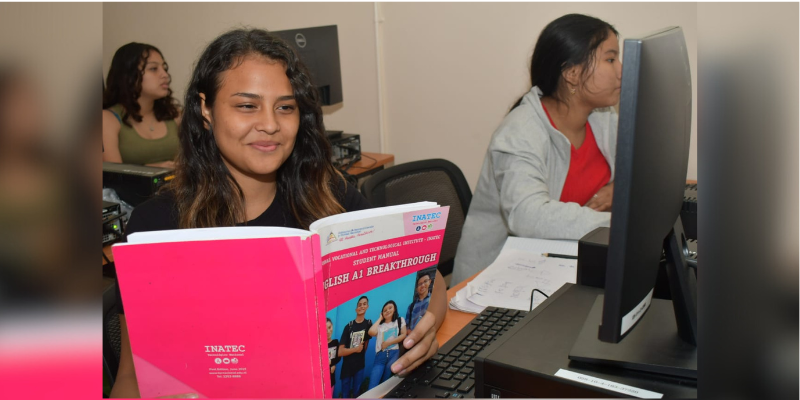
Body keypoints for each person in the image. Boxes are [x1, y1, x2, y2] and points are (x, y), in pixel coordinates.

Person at [109, 29, 373, 398]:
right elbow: (131, 380)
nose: (270, 124)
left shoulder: (329, 197)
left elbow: (429, 280)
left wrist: (425, 324)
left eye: (285, 107)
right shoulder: (157, 226)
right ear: (205, 109)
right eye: (247, 106)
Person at [452, 14, 622, 285]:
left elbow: (638, 166)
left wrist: (619, 187)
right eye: (610, 59)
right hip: (499, 282)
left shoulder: (603, 116)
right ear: (572, 73)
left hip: (565, 265)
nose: (621, 70)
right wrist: (617, 224)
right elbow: (527, 215)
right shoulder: (521, 131)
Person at [102, 43, 181, 168]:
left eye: (164, 68)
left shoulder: (175, 115)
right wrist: (151, 170)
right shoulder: (107, 119)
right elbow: (113, 177)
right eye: (153, 69)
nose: (165, 75)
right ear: (129, 76)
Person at [367, 300, 407, 390]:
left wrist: (388, 343)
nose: (388, 311)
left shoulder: (399, 321)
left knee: (385, 386)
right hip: (380, 356)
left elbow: (403, 335)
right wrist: (380, 318)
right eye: (385, 310)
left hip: (394, 354)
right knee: (372, 386)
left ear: (394, 309)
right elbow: (371, 332)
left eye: (390, 308)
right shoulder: (380, 326)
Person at [338, 296, 372, 397]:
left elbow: (365, 345)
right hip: (347, 367)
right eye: (359, 304)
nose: (362, 306)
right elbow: (340, 352)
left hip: (359, 366)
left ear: (367, 306)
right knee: (345, 394)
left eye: (364, 304)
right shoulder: (349, 326)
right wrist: (355, 350)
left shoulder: (368, 324)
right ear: (356, 309)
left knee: (357, 392)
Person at [327, 318, 341, 394]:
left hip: (331, 378)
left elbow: (338, 357)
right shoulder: (319, 345)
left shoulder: (335, 342)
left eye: (329, 327)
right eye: (325, 329)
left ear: (332, 326)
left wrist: (332, 363)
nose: (328, 331)